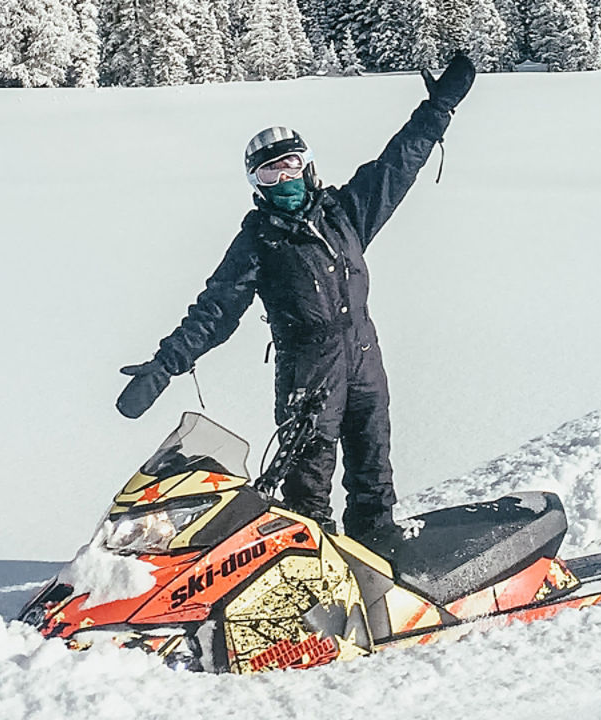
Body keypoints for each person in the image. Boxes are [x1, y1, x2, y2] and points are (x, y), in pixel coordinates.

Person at [116, 54, 476, 542]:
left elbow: (399, 163)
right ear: (256, 185)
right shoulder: (258, 243)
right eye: (269, 174)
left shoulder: (345, 214)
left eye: (289, 166)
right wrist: (166, 364)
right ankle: (309, 571)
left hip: (364, 359)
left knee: (373, 471)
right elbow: (215, 310)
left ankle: (378, 548)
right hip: (307, 376)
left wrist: (439, 109)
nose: (283, 180)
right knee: (307, 491)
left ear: (307, 166)